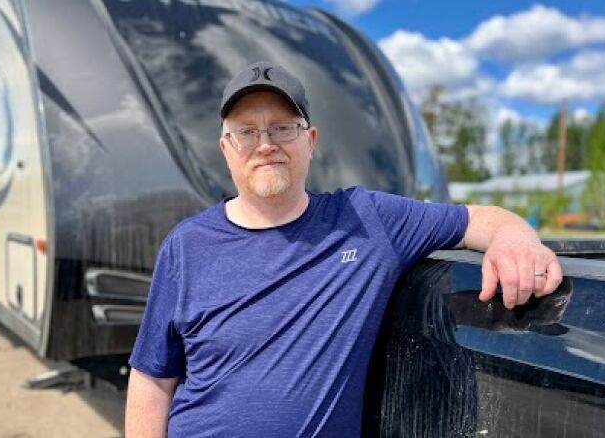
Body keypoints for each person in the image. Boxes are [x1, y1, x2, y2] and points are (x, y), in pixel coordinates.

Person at [125, 61, 562, 437]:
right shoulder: (186, 246)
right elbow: (152, 378)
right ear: (226, 149)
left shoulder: (367, 221)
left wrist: (516, 239)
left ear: (310, 141)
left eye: (283, 128)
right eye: (247, 132)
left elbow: (478, 220)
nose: (265, 144)